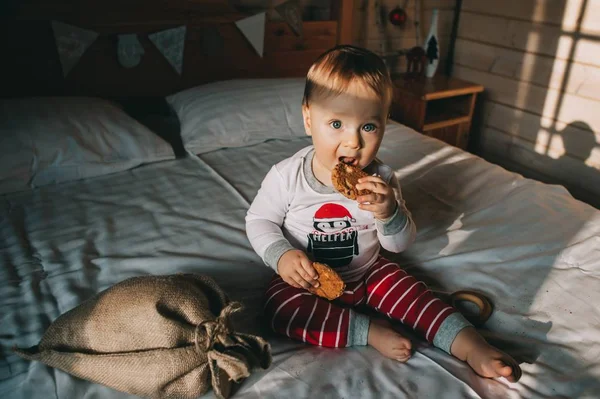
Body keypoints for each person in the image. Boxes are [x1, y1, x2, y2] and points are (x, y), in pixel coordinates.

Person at [246, 45, 520, 382]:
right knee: (280, 309)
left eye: (369, 127)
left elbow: (398, 245)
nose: (353, 142)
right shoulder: (286, 176)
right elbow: (259, 221)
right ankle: (368, 331)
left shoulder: (383, 180)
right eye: (336, 123)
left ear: (385, 124)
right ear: (308, 119)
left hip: (369, 274)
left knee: (416, 296)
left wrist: (390, 212)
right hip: (309, 281)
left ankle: (471, 346)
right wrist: (282, 255)